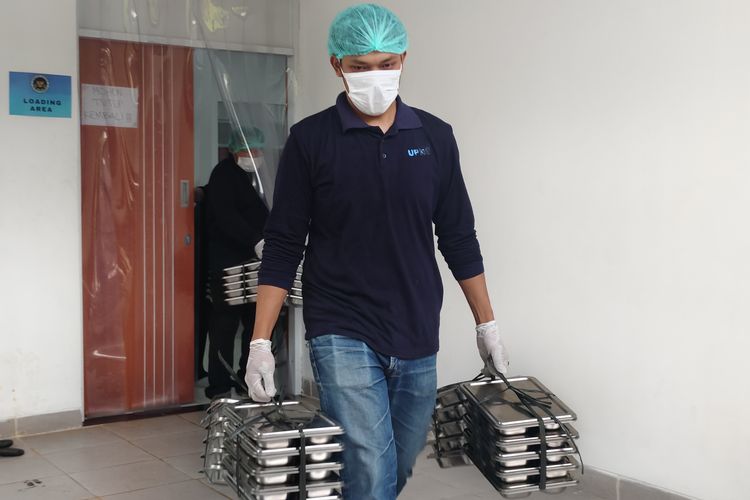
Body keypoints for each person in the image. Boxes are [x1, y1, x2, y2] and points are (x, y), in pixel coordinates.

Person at [246, 3, 510, 498]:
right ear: (337, 66)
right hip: (340, 325)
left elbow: (458, 236)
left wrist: (486, 323)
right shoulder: (311, 141)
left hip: (415, 324)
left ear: (404, 59)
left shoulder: (434, 137)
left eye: (387, 64)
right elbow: (283, 244)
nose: (375, 77)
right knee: (368, 466)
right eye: (360, 67)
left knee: (396, 464)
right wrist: (261, 342)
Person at [204, 126, 269, 399]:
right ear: (233, 151)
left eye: (255, 150)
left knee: (257, 325)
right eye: (245, 151)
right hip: (227, 263)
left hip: (258, 265)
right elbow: (226, 216)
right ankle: (219, 386)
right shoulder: (223, 175)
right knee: (224, 327)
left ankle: (248, 382)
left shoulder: (264, 176)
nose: (251, 155)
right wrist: (254, 240)